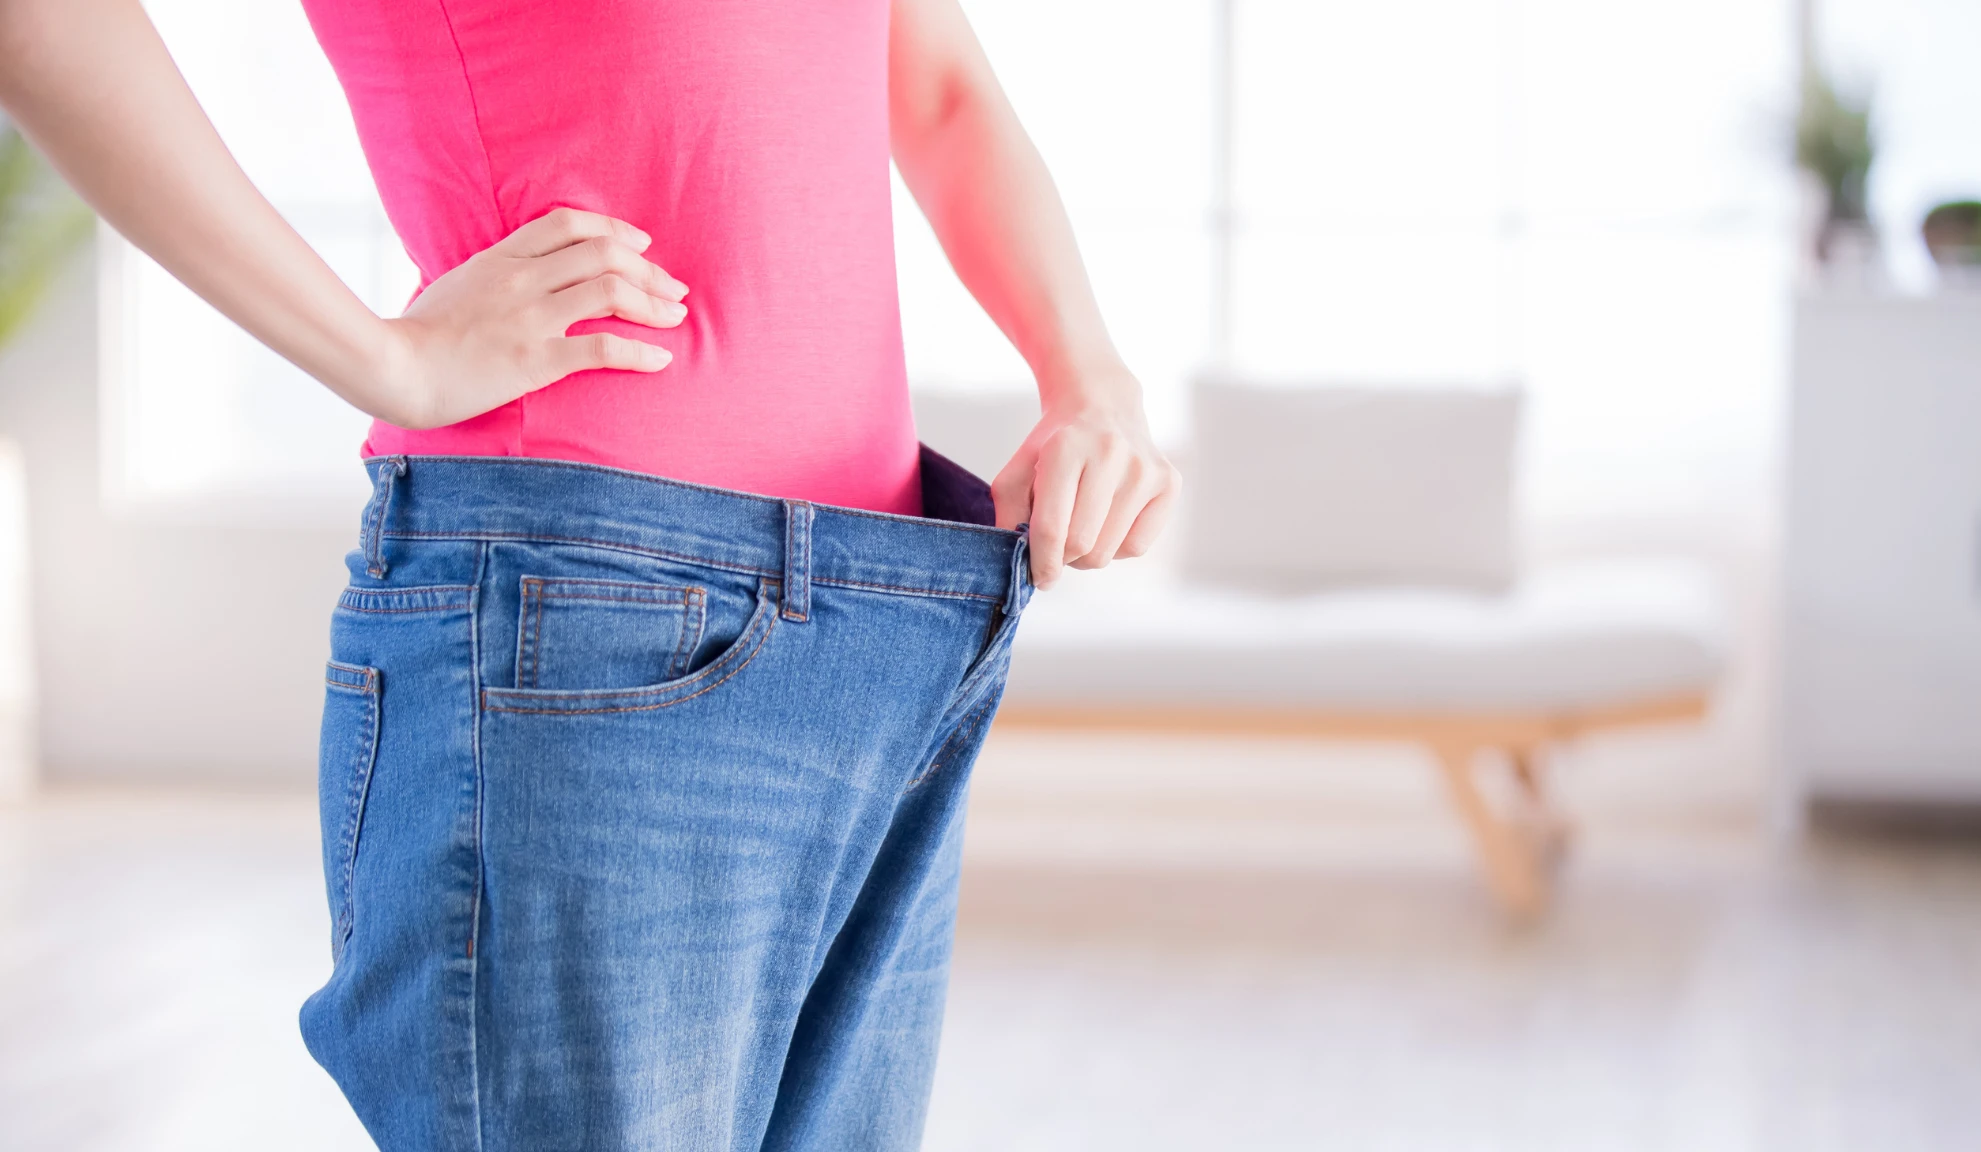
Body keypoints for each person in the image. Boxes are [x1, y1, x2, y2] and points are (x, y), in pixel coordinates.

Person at [0, 0, 1180, 1148]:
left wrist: (1087, 375)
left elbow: (932, 85)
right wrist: (382, 360)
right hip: (588, 600)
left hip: (893, 601)